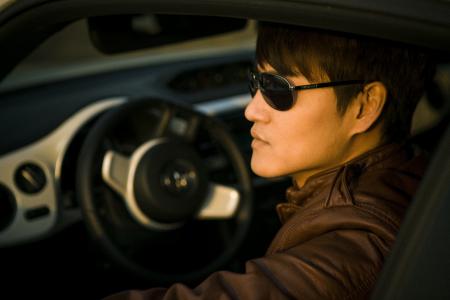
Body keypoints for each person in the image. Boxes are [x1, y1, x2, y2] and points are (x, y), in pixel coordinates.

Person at [104, 22, 434, 299]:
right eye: (257, 83)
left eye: (279, 89)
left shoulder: (357, 251)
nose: (252, 110)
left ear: (365, 106)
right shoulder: (415, 174)